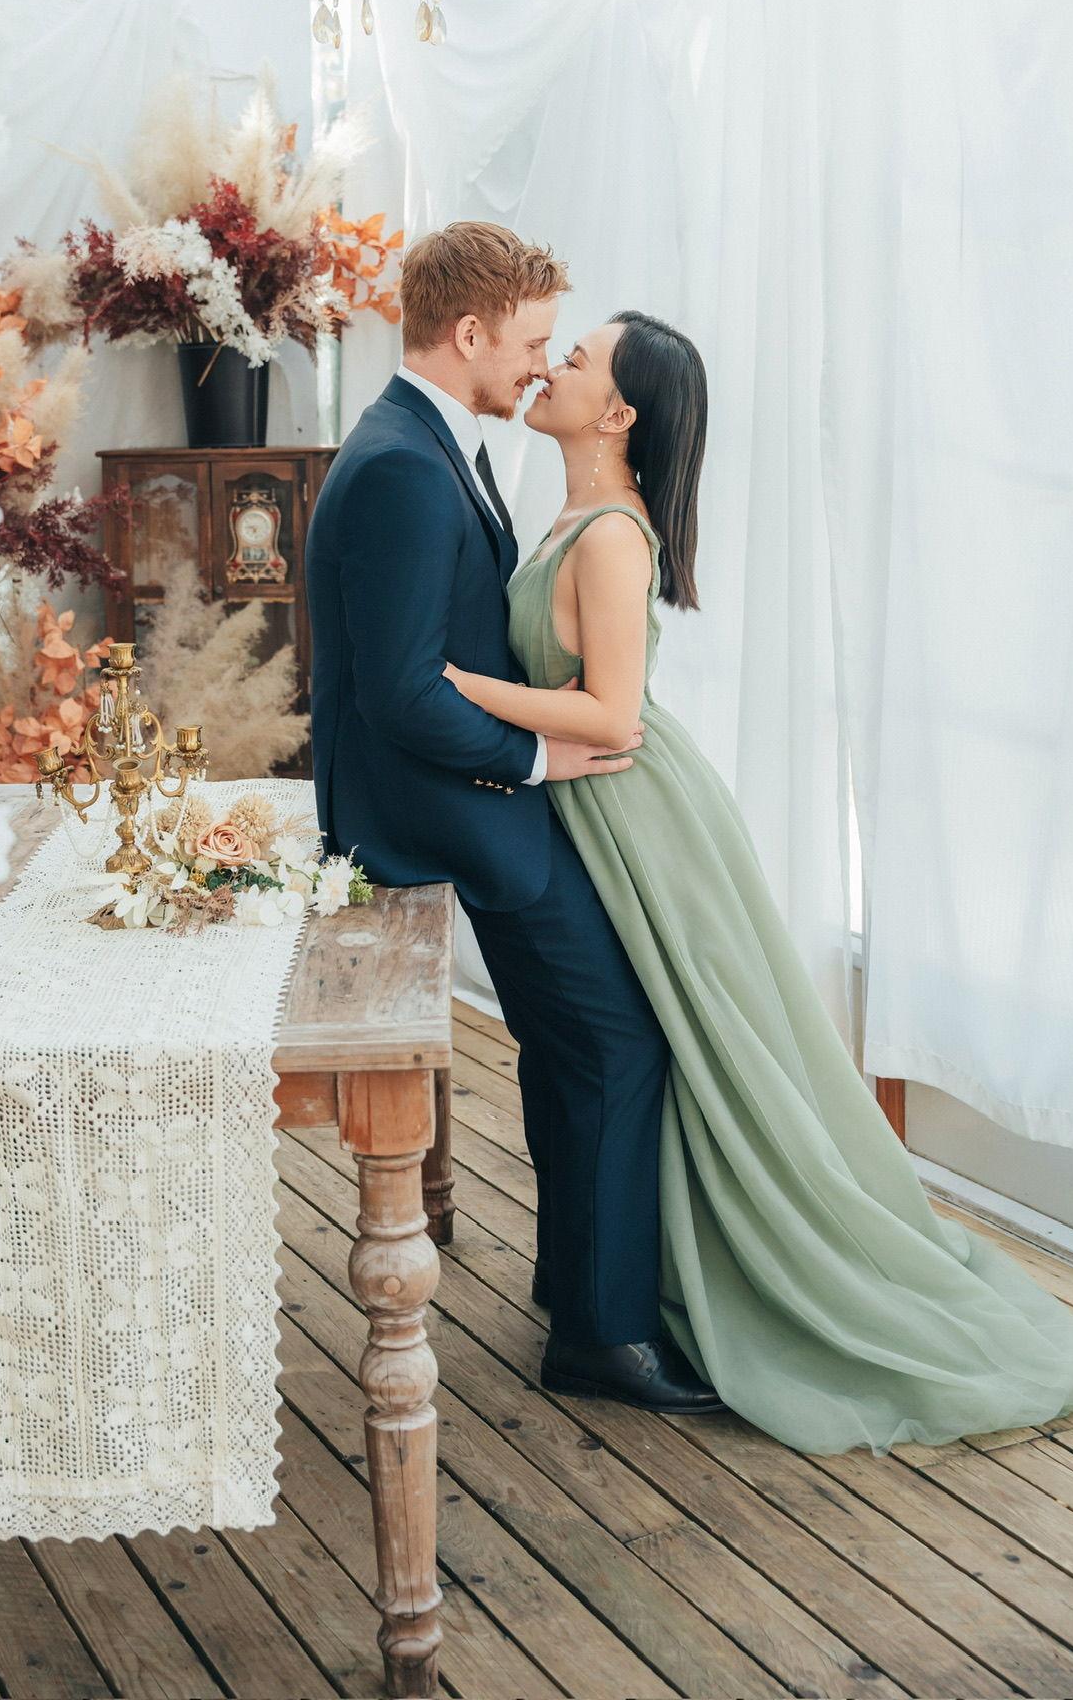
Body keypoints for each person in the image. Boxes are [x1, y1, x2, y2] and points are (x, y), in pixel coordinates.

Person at [441, 309, 1073, 1451]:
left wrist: (455, 688)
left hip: (641, 818)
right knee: (622, 1044)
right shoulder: (573, 511)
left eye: (578, 359)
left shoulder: (613, 535)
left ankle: (676, 1291)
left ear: (618, 413)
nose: (551, 366)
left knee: (703, 1041)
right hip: (593, 808)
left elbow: (612, 714)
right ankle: (602, 1279)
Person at [306, 225, 721, 1410]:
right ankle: (602, 1332)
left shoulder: (428, 441)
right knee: (615, 1040)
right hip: (448, 810)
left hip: (464, 797)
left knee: (576, 1038)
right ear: (470, 332)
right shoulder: (403, 462)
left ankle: (582, 1289)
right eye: (535, 342)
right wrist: (538, 757)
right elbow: (400, 692)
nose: (542, 364)